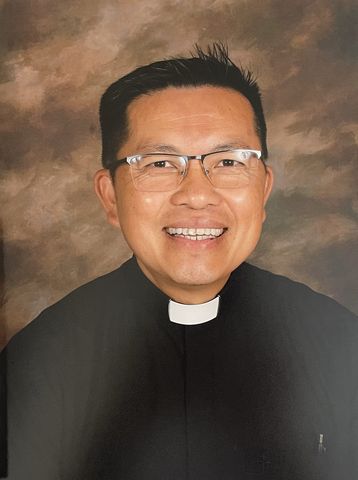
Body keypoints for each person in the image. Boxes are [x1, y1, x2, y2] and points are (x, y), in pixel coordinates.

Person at [2, 44, 358, 479]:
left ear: (264, 190)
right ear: (110, 196)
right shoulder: (38, 363)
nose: (196, 194)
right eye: (159, 163)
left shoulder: (339, 343)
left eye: (229, 161)